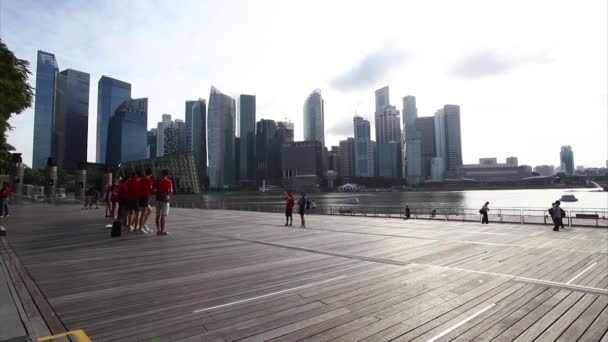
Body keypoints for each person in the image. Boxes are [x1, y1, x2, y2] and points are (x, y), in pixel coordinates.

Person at [155, 169, 173, 235]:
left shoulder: (157, 180)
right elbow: (171, 190)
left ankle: (158, 230)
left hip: (158, 198)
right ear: (167, 174)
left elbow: (154, 189)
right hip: (165, 199)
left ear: (162, 173)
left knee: (157, 215)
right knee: (163, 216)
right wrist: (168, 193)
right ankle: (162, 231)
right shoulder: (169, 181)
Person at [137, 168, 154, 233]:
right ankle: (140, 228)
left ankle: (143, 225)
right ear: (151, 174)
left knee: (149, 211)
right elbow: (150, 188)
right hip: (144, 196)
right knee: (143, 213)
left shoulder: (141, 179)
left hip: (141, 196)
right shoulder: (148, 179)